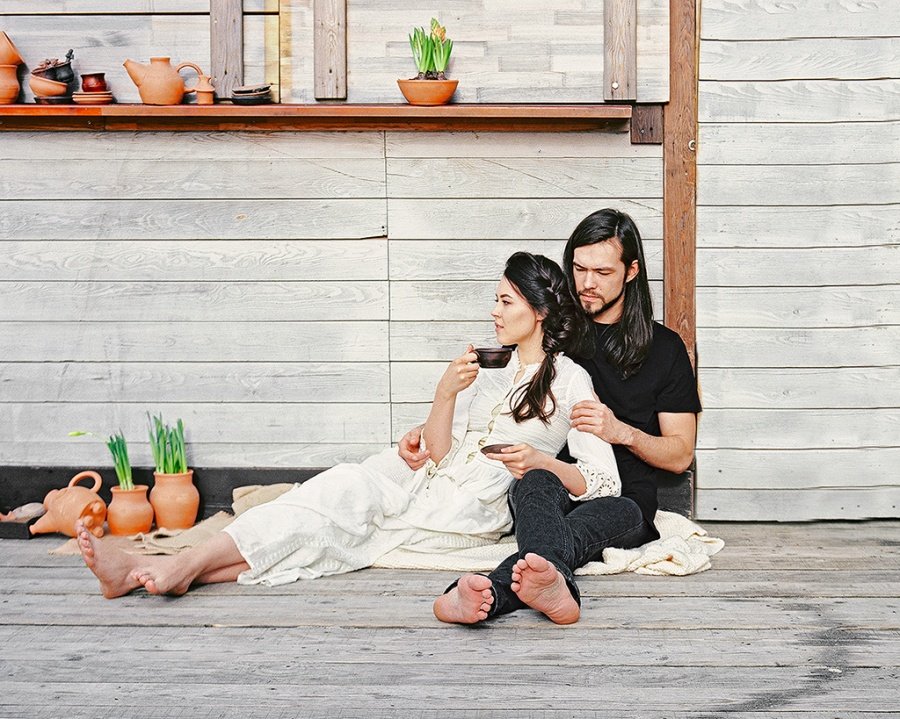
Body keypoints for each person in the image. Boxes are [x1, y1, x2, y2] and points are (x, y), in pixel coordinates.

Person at [75, 252, 623, 599]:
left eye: (504, 301)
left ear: (539, 311)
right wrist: (444, 394)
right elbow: (436, 451)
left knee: (334, 529)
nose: (494, 312)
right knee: (335, 492)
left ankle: (174, 567)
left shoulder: (572, 381)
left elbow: (602, 483)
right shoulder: (490, 368)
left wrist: (542, 462)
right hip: (427, 479)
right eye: (495, 300)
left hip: (475, 502)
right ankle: (173, 569)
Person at [423, 209, 703, 625]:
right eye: (578, 268)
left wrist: (621, 432)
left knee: (576, 531)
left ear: (631, 271)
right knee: (538, 487)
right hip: (545, 485)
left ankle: (491, 595)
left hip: (624, 497)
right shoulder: (554, 332)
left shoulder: (665, 349)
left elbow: (680, 455)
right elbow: (500, 400)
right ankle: (551, 588)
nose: (587, 283)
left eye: (602, 272)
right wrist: (428, 427)